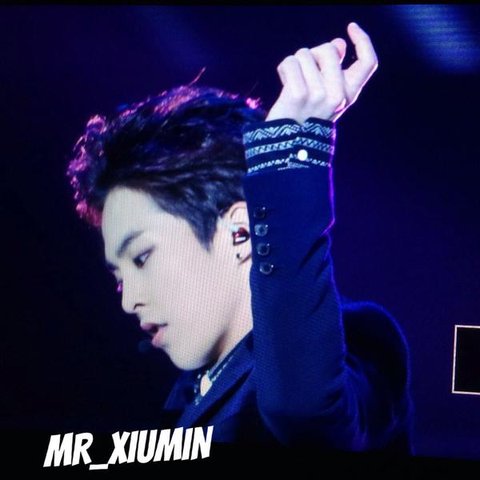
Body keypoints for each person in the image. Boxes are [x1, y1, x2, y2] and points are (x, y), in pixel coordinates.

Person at [66, 22, 413, 452]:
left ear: (241, 230)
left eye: (141, 257)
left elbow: (304, 412)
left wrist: (285, 159)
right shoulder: (189, 396)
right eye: (119, 276)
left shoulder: (356, 345)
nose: (127, 300)